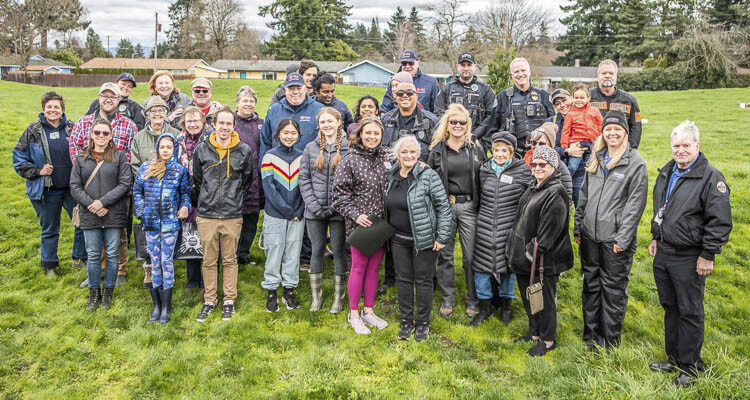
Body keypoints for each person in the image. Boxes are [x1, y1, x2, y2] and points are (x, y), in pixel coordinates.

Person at [647, 121, 732, 388]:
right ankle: (673, 358)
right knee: (670, 307)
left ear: (697, 146)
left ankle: (691, 367)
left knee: (689, 311)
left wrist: (708, 254)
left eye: (686, 145)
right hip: (664, 252)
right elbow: (661, 209)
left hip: (690, 256)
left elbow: (719, 221)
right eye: (676, 146)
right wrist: (655, 237)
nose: (680, 151)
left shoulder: (710, 178)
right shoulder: (667, 171)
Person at [574, 110, 648, 352]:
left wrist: (623, 239)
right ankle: (591, 336)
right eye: (608, 129)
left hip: (615, 240)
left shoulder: (635, 163)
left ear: (626, 133)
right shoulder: (597, 157)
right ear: (603, 132)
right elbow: (583, 196)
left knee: (613, 290)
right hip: (590, 236)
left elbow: (634, 206)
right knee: (591, 285)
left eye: (618, 129)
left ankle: (609, 341)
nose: (613, 132)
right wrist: (578, 226)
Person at [70, 82, 138, 288]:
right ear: (98, 97)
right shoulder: (84, 123)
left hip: (118, 188)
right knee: (94, 232)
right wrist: (85, 190)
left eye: (113, 96)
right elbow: (74, 152)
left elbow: (132, 156)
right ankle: (98, 269)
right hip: (90, 189)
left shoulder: (129, 125)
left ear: (119, 99)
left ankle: (120, 270)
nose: (108, 99)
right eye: (105, 95)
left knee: (119, 232)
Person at [507, 146, 573, 357]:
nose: (537, 167)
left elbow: (549, 234)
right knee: (530, 298)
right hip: (526, 260)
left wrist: (530, 253)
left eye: (542, 164)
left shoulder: (556, 192)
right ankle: (534, 333)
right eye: (534, 164)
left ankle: (548, 340)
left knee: (543, 301)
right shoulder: (534, 186)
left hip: (542, 261)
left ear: (553, 166)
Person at [12, 91, 87, 277]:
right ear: (43, 109)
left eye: (56, 107)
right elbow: (18, 159)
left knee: (82, 223)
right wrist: (38, 171)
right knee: (50, 229)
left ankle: (79, 257)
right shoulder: (33, 131)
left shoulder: (72, 128)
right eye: (49, 107)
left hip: (72, 189)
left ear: (62, 110)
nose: (53, 110)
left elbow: (86, 151)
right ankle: (50, 265)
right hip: (46, 190)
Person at [191, 106, 253, 323]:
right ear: (214, 124)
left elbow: (246, 181)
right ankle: (210, 299)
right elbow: (197, 181)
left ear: (233, 125)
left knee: (229, 259)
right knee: (208, 260)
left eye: (229, 123)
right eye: (221, 123)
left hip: (231, 214)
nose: (225, 127)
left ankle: (229, 299)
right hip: (207, 214)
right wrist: (205, 201)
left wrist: (233, 200)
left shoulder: (243, 151)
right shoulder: (202, 149)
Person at [387, 136, 452, 341]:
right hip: (397, 238)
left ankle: (423, 323)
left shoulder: (428, 175)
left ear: (419, 154)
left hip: (424, 239)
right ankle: (407, 320)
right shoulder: (391, 175)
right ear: (398, 154)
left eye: (412, 152)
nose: (408, 156)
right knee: (403, 280)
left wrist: (442, 236)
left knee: (423, 280)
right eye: (404, 152)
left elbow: (443, 207)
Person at [260, 72, 325, 272]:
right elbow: (264, 142)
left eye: (298, 87)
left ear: (305, 88)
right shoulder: (275, 110)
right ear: (285, 89)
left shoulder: (318, 109)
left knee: (305, 213)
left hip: (308, 172)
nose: (295, 91)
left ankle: (304, 257)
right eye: (291, 88)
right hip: (277, 170)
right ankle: (276, 256)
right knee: (280, 210)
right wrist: (265, 170)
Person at [427, 104, 486, 319]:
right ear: (447, 125)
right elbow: (429, 180)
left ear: (468, 125)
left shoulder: (476, 148)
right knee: (445, 255)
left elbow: (484, 176)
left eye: (462, 122)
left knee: (471, 256)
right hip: (445, 207)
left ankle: (473, 298)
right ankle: (448, 297)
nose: (458, 126)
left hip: (470, 206)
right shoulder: (437, 149)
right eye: (454, 122)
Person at [332, 116, 390, 335]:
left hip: (382, 222)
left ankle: (368, 311)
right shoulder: (349, 160)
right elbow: (338, 196)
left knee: (374, 268)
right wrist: (356, 215)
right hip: (361, 223)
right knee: (359, 267)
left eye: (376, 133)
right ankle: (354, 314)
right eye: (368, 133)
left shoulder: (387, 157)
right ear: (360, 135)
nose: (372, 137)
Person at [69, 118, 132, 311]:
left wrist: (103, 202)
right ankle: (94, 294)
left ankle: (108, 293)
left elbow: (124, 183)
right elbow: (74, 186)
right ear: (91, 135)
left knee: (112, 254)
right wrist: (92, 204)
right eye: (97, 133)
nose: (101, 136)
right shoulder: (81, 158)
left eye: (105, 133)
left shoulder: (119, 157)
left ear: (111, 135)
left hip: (113, 212)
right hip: (90, 214)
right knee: (94, 254)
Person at [471, 132, 532, 327]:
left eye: (504, 150)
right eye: (496, 150)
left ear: (512, 152)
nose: (499, 154)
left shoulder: (522, 171)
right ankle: (485, 308)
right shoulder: (484, 169)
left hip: (509, 227)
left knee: (508, 268)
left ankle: (506, 308)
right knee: (481, 268)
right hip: (485, 224)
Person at [132, 133, 191, 324]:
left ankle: (167, 306)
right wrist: (142, 212)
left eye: (169, 147)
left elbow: (185, 194)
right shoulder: (145, 168)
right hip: (150, 224)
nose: (165, 150)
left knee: (167, 263)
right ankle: (156, 305)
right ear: (157, 148)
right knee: (154, 263)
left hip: (170, 225)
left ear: (174, 149)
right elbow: (137, 192)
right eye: (162, 147)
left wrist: (184, 207)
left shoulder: (179, 171)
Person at [299, 108, 350, 313]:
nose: (326, 125)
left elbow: (350, 181)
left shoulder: (348, 148)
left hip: (338, 211)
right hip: (315, 211)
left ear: (338, 122)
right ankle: (316, 297)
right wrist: (314, 206)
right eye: (322, 122)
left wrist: (336, 206)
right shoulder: (310, 148)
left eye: (330, 121)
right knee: (317, 249)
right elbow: (304, 179)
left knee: (338, 250)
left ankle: (339, 297)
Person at [130, 95, 182, 288]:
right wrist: (149, 181)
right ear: (147, 114)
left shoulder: (176, 134)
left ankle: (168, 271)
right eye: (153, 111)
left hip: (170, 198)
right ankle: (149, 269)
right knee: (148, 235)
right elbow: (135, 164)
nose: (157, 114)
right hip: (149, 195)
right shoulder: (139, 137)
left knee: (168, 241)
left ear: (166, 113)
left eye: (161, 110)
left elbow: (181, 162)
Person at [260, 119, 305, 312]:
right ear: (278, 134)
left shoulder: (303, 157)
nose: (289, 136)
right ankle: (271, 290)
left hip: (297, 214)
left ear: (298, 135)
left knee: (293, 252)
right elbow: (269, 189)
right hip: (276, 213)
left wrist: (300, 210)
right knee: (274, 250)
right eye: (285, 132)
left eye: (293, 133)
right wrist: (287, 211)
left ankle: (289, 288)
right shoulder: (269, 157)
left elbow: (305, 187)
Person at [481, 57, 555, 158]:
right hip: (512, 155)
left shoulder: (543, 95)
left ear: (529, 72)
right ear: (512, 75)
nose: (520, 74)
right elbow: (491, 130)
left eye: (523, 70)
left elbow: (553, 126)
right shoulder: (503, 97)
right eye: (516, 72)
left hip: (539, 152)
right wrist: (498, 152)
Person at [434, 52, 496, 151]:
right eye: (463, 65)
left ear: (475, 67)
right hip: (450, 141)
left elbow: (491, 116)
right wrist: (452, 133)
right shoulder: (447, 89)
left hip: (477, 142)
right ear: (457, 67)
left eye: (469, 65)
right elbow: (438, 114)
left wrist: (474, 135)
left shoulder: (486, 89)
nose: (466, 68)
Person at [177, 106, 209, 296]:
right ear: (184, 123)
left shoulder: (210, 139)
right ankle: (192, 280)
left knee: (207, 241)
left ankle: (206, 282)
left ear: (203, 122)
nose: (193, 124)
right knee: (190, 237)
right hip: (186, 194)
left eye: (196, 120)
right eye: (189, 121)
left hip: (206, 195)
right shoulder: (178, 141)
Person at [234, 86, 264, 266]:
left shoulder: (262, 123)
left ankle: (244, 254)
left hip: (257, 178)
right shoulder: (230, 123)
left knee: (252, 219)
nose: (248, 104)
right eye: (244, 100)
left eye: (251, 101)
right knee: (235, 220)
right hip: (236, 179)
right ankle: (232, 255)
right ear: (237, 103)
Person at [561, 84, 603, 206]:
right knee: (573, 166)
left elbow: (601, 125)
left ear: (588, 98)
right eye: (576, 98)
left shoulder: (594, 111)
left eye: (582, 98)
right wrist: (565, 146)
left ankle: (590, 188)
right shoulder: (570, 113)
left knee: (591, 166)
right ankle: (565, 182)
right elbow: (566, 131)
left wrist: (601, 140)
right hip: (577, 144)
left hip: (592, 144)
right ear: (572, 98)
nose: (579, 100)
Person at [590, 59, 642, 149]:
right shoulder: (586, 97)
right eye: (604, 73)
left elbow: (636, 127)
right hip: (592, 148)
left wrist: (631, 149)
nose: (607, 76)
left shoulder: (629, 100)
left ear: (616, 76)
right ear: (597, 76)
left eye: (611, 73)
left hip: (620, 149)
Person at [382, 81, 439, 161]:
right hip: (392, 170)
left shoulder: (432, 121)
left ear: (416, 96)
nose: (405, 95)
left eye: (409, 92)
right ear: (395, 96)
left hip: (421, 171)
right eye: (400, 93)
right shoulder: (385, 121)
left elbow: (438, 153)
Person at [522, 123, 573, 201]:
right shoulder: (524, 161)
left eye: (542, 143)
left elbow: (567, 196)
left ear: (551, 145)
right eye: (534, 143)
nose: (537, 146)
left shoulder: (559, 166)